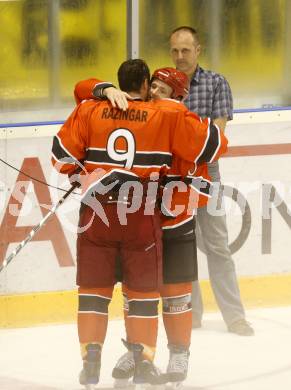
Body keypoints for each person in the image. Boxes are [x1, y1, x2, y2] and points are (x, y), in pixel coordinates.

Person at [52, 59, 228, 389]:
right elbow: (82, 90)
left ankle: (179, 351)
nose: (156, 93)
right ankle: (138, 352)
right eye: (154, 87)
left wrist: (171, 196)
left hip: (172, 222)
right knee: (136, 293)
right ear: (146, 87)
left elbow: (204, 171)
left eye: (164, 90)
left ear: (177, 97)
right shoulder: (153, 117)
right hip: (139, 221)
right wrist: (106, 89)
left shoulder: (178, 120)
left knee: (175, 294)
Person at [169, 26, 254, 336]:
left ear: (198, 50)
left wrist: (189, 146)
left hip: (207, 173)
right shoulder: (162, 84)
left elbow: (216, 136)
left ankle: (235, 317)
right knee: (182, 245)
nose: (180, 57)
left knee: (217, 245)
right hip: (173, 177)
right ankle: (190, 315)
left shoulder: (216, 83)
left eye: (186, 50)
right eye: (175, 51)